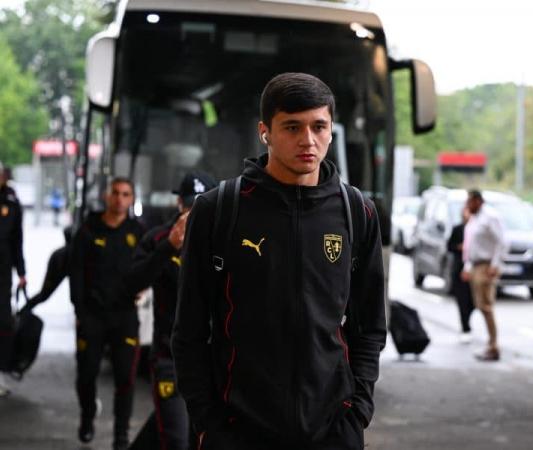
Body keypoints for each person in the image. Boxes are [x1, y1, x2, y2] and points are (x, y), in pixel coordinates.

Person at [172, 72, 387, 450]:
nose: (308, 140)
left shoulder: (357, 212)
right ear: (264, 131)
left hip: (333, 431)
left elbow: (369, 326)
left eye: (319, 126)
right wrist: (208, 423)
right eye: (292, 127)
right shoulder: (219, 210)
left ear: (331, 130)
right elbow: (189, 330)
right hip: (239, 431)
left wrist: (358, 413)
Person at [124, 171, 217, 450]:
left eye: (201, 204)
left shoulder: (227, 240)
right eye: (189, 205)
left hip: (214, 362)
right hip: (170, 359)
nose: (193, 212)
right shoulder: (159, 238)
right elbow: (131, 283)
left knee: (200, 438)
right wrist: (169, 247)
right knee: (176, 440)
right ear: (179, 204)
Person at [69, 177, 144, 449]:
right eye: (115, 193)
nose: (120, 199)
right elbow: (75, 271)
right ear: (106, 196)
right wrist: (79, 309)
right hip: (92, 316)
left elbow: (150, 265)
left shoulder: (138, 231)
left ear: (131, 199)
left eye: (126, 194)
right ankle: (88, 415)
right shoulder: (89, 229)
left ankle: (121, 434)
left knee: (125, 377)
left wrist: (143, 288)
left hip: (124, 317)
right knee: (86, 374)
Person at [461, 189, 506, 362]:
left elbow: (502, 241)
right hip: (476, 265)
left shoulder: (490, 217)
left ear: (478, 201)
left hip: (486, 266)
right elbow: (471, 244)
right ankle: (491, 344)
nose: (467, 206)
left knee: (486, 307)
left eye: (469, 202)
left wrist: (495, 265)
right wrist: (467, 265)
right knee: (481, 306)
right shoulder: (475, 218)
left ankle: (493, 346)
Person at [0, 161, 27, 397]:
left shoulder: (11, 202)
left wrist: (21, 272)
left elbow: (17, 239)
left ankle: (1, 371)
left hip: (2, 269)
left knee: (3, 320)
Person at [447, 203, 474, 343]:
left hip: (472, 269)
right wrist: (460, 247)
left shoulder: (476, 229)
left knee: (473, 301)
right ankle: (465, 327)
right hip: (459, 269)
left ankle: (467, 321)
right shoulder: (458, 229)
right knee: (462, 300)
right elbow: (449, 246)